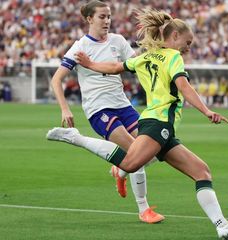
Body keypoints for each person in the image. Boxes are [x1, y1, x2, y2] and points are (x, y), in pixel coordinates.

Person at [47, 8, 228, 239]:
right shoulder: (174, 57)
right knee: (130, 162)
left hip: (156, 123)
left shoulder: (146, 57)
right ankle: (76, 138)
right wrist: (206, 111)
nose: (189, 47)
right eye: (188, 42)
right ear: (174, 37)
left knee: (201, 171)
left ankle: (221, 225)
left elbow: (116, 67)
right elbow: (184, 86)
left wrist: (91, 64)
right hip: (158, 122)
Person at [49, 0, 164, 223]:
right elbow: (57, 79)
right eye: (102, 17)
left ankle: (120, 171)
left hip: (123, 105)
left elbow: (136, 67)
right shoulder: (80, 47)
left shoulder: (118, 41)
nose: (107, 21)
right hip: (98, 108)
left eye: (109, 16)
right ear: (90, 19)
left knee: (154, 149)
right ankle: (144, 209)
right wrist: (65, 109)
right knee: (137, 154)